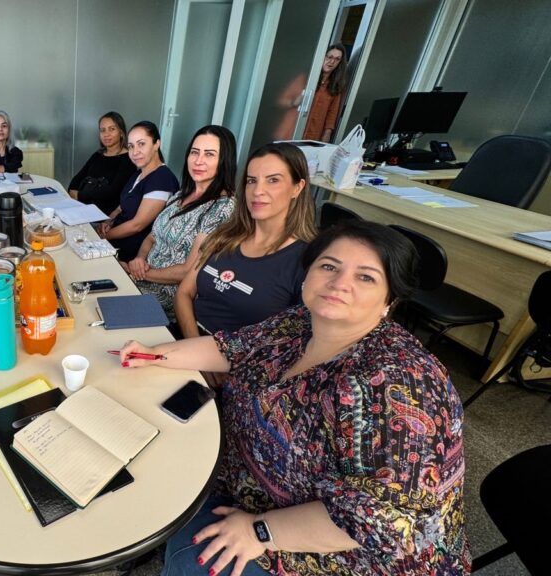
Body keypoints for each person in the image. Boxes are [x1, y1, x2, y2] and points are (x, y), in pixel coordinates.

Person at [120, 220, 470, 576]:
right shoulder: (302, 321)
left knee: (191, 562)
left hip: (349, 551)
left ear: (389, 301)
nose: (339, 283)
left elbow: (383, 522)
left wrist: (260, 532)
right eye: (329, 267)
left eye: (365, 277)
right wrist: (153, 354)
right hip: (249, 484)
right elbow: (232, 349)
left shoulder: (400, 383)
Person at [174, 142, 316, 339]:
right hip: (184, 339)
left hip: (234, 356)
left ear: (297, 188)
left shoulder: (306, 262)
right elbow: (184, 293)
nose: (257, 191)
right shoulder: (226, 235)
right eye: (251, 181)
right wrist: (193, 344)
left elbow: (297, 341)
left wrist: (204, 353)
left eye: (273, 180)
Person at [127, 125, 237, 319]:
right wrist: (139, 260)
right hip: (140, 278)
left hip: (164, 297)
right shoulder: (180, 195)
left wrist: (137, 272)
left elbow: (187, 271)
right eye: (194, 152)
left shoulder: (223, 207)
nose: (198, 161)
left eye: (209, 154)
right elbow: (152, 237)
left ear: (224, 161)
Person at [97, 121, 177, 262]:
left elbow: (137, 225)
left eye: (141, 144)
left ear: (156, 144)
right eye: (131, 146)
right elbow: (121, 206)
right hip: (114, 239)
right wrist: (108, 221)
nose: (135, 152)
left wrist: (103, 236)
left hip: (131, 254)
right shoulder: (139, 174)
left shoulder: (162, 179)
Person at [67, 111, 135, 215]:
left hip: (105, 216)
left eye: (112, 129)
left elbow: (112, 193)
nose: (106, 134)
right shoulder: (98, 155)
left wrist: (80, 195)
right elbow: (76, 180)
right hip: (83, 208)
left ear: (121, 132)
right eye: (103, 130)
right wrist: (75, 192)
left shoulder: (128, 159)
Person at [303, 44, 348, 142]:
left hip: (314, 133)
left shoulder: (334, 85)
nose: (332, 62)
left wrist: (327, 134)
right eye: (330, 57)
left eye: (337, 59)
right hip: (296, 128)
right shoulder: (308, 78)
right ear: (323, 56)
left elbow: (332, 113)